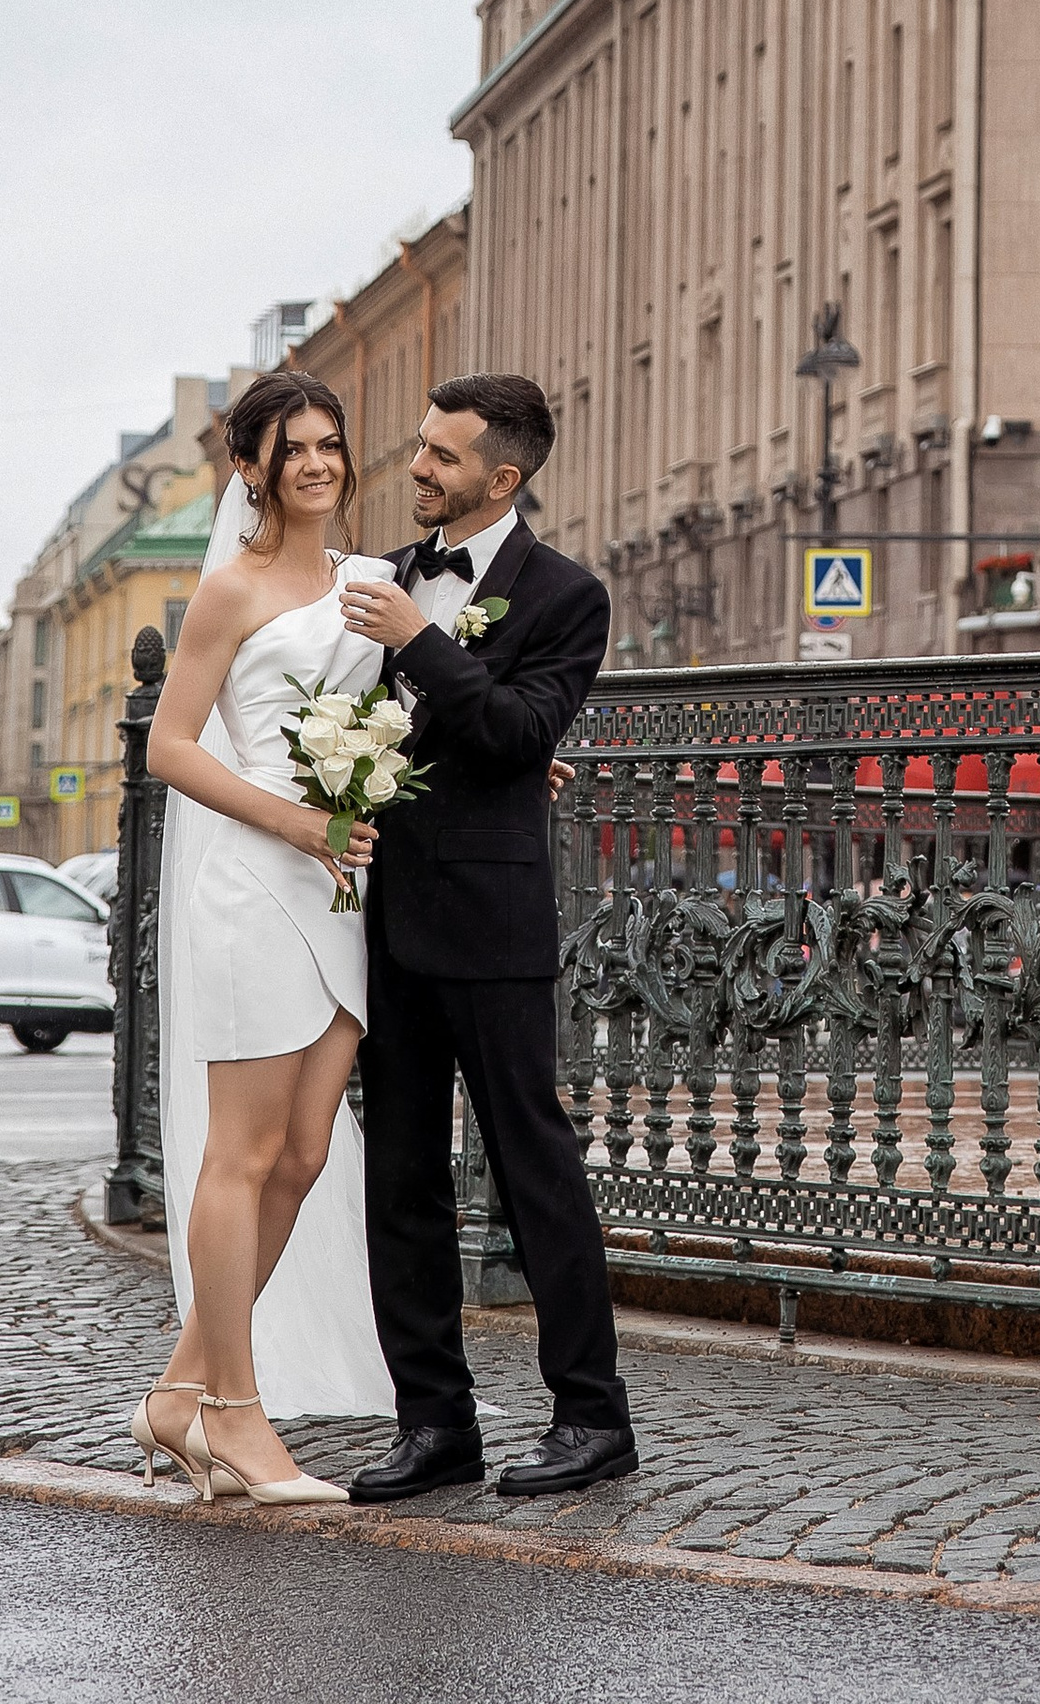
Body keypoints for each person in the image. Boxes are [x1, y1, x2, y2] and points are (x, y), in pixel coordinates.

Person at [335, 371, 637, 1504]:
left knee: (532, 1170)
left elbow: (516, 728)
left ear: (500, 478)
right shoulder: (385, 579)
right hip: (388, 917)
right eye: (420, 448)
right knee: (401, 1179)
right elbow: (367, 729)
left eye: (442, 456)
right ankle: (433, 1425)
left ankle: (593, 1420)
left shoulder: (567, 596)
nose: (417, 467)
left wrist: (422, 640)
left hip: (494, 922)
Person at [136, 368, 390, 1501]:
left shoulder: (370, 584)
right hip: (252, 880)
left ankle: (180, 1394)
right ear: (254, 469)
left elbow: (417, 700)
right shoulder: (230, 592)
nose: (319, 465)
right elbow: (172, 747)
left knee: (303, 1153)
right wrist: (297, 818)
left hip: (339, 896)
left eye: (330, 445)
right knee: (239, 1157)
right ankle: (237, 1417)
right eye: (295, 450)